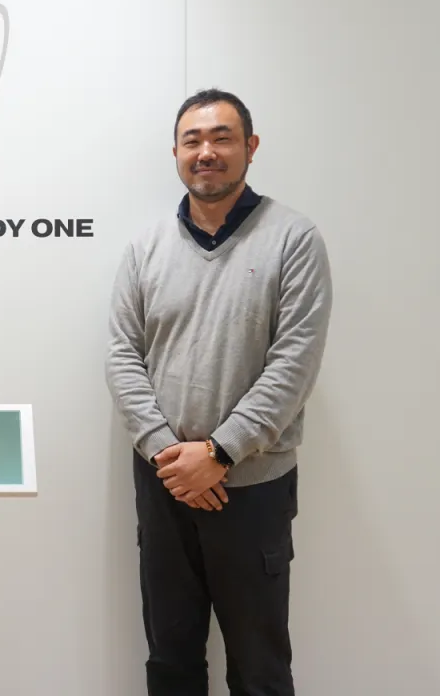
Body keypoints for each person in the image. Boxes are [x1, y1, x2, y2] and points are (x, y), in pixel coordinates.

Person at [105, 89, 333, 696]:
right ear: (176, 153)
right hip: (165, 484)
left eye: (222, 137)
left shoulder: (294, 239)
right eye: (193, 141)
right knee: (170, 661)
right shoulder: (146, 248)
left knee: (259, 669)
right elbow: (122, 356)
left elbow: (295, 363)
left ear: (250, 147)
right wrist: (168, 455)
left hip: (251, 488)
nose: (206, 152)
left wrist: (219, 453)